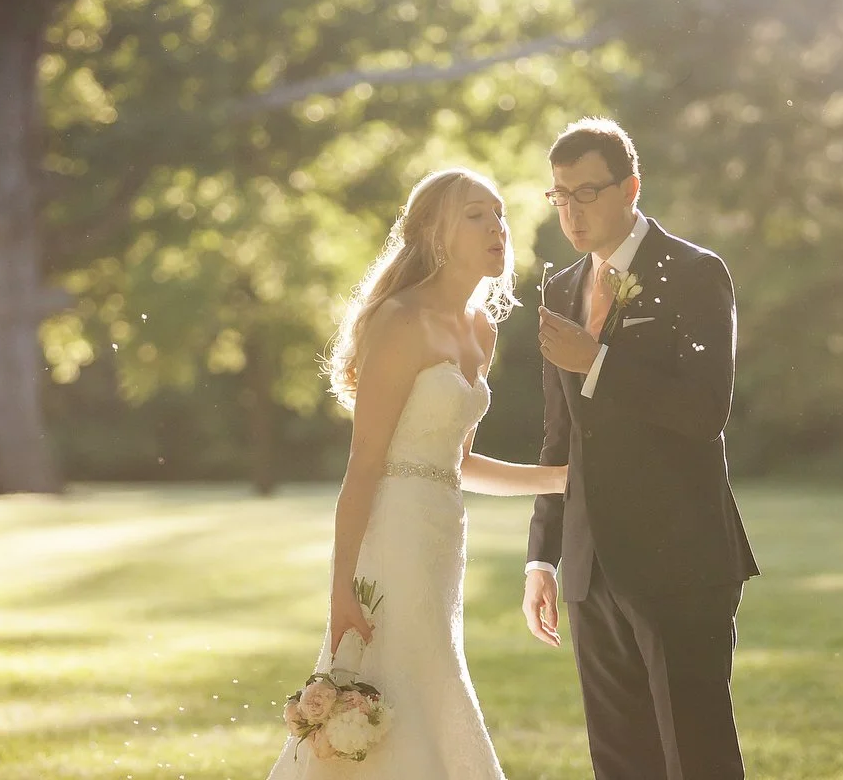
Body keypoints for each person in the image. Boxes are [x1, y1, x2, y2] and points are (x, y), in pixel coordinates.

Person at [266, 167, 568, 780]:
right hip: (393, 531)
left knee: (429, 668)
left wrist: (561, 478)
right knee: (400, 674)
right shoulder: (400, 321)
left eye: (499, 214)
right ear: (434, 233)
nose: (497, 228)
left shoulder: (480, 329)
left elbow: (453, 464)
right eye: (475, 215)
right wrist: (340, 589)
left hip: (442, 531)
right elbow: (365, 466)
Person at [525, 119, 759, 780]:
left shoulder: (695, 272)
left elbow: (705, 411)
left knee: (697, 755)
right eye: (559, 195)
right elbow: (558, 437)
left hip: (681, 563)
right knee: (621, 762)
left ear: (631, 187)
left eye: (587, 192)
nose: (571, 210)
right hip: (589, 566)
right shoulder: (561, 288)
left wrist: (597, 362)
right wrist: (541, 557)